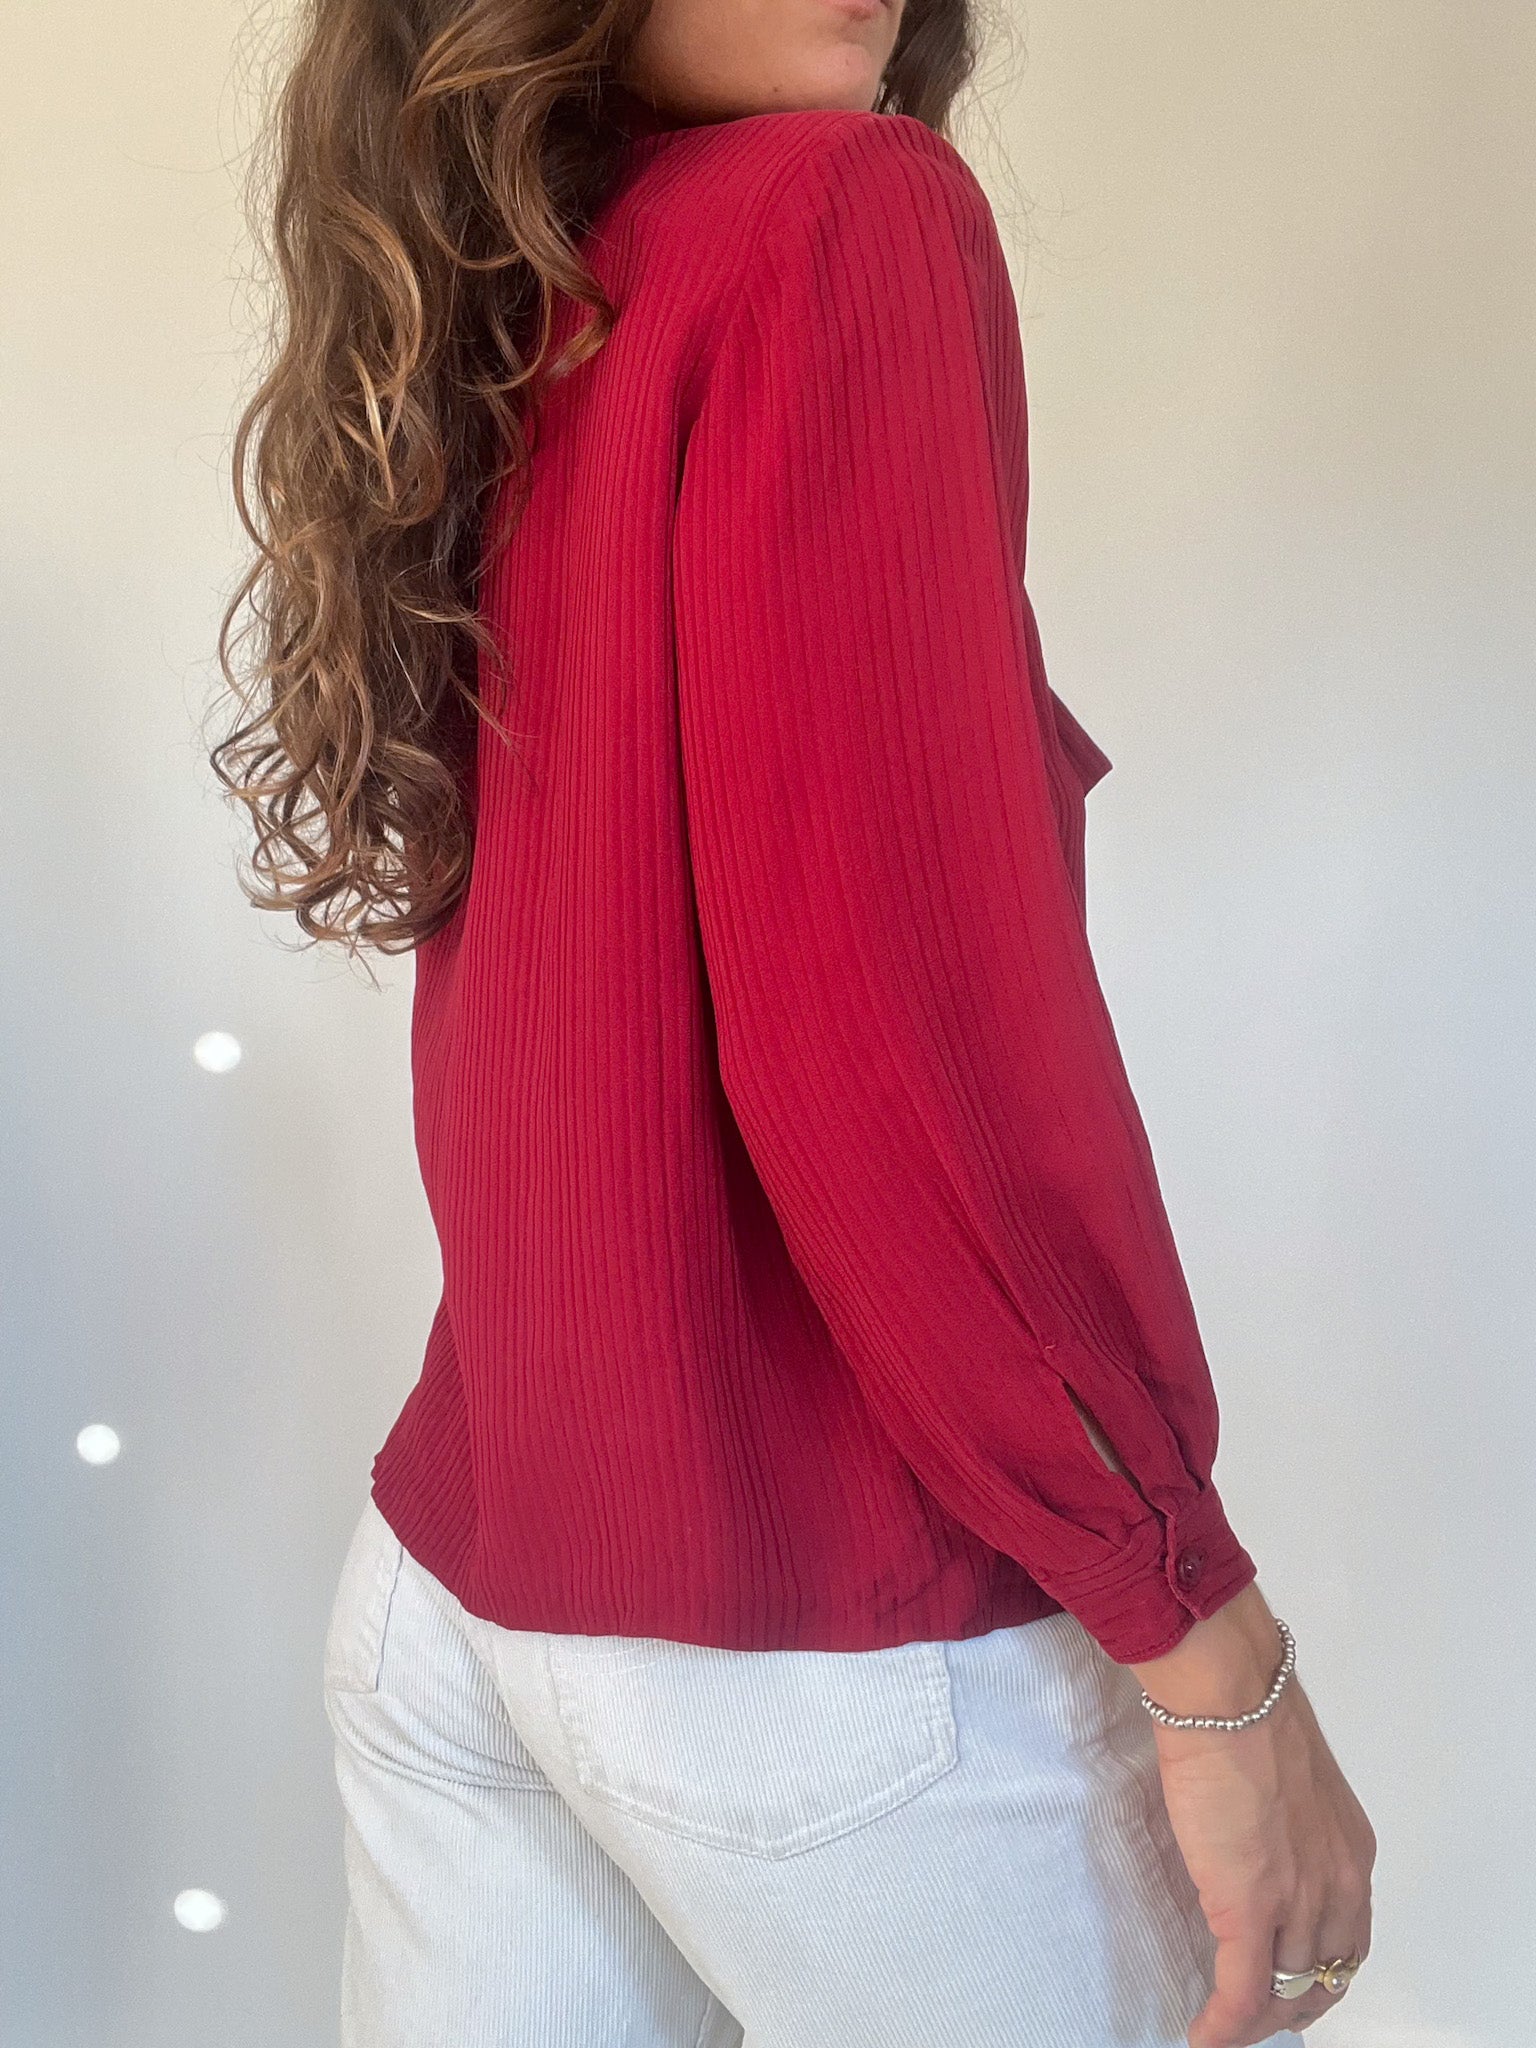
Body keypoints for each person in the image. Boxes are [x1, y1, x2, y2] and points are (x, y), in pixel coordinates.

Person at [210, 1, 1376, 2043]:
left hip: (463, 1591)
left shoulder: (521, 285)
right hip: (836, 1646)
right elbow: (895, 1032)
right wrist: (1208, 1643)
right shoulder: (844, 215)